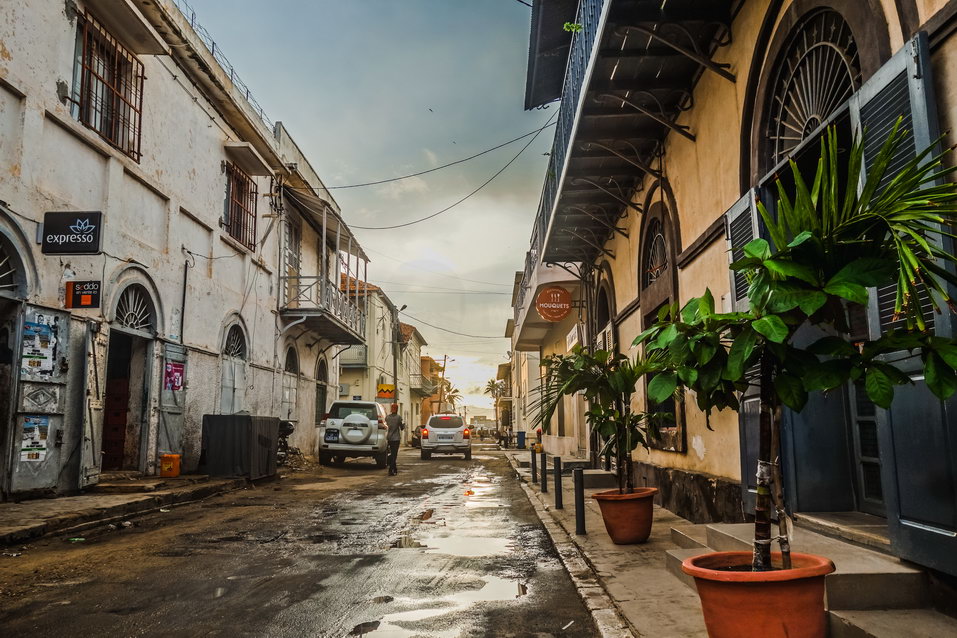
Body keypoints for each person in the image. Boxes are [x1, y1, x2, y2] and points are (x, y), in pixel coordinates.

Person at [385, 404, 404, 475]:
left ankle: (395, 469)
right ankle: (391, 469)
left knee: (392, 454)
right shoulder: (398, 417)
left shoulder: (387, 417)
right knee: (394, 454)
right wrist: (403, 425)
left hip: (389, 438)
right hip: (396, 438)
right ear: (397, 409)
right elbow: (401, 427)